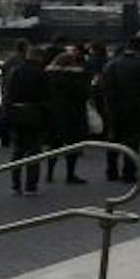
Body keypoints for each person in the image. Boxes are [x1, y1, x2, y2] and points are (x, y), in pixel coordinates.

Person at [97, 43, 140, 181]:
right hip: (136, 109)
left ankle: (111, 171)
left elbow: (104, 88)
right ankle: (128, 172)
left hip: (115, 108)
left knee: (114, 139)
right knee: (133, 141)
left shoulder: (110, 65)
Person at [2, 44, 50, 195]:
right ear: (38, 57)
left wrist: (7, 113)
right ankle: (31, 185)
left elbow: (8, 94)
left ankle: (15, 184)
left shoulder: (15, 71)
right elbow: (46, 96)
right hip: (34, 114)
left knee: (17, 151)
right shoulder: (41, 73)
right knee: (33, 151)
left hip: (16, 114)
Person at [43, 51, 92, 184]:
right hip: (73, 114)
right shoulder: (76, 76)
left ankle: (49, 173)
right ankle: (70, 174)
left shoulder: (48, 75)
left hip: (54, 114)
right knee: (72, 145)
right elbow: (85, 94)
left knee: (54, 145)